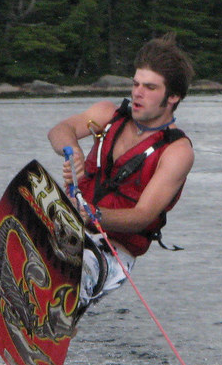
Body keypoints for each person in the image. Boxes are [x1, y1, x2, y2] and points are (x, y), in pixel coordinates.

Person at [47, 32, 195, 314]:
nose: (138, 93)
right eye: (136, 84)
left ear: (173, 97)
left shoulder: (177, 152)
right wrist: (71, 150)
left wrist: (92, 214)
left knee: (74, 275)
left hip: (112, 252)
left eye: (150, 87)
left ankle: (65, 308)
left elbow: (142, 216)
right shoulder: (107, 115)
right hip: (70, 227)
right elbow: (60, 130)